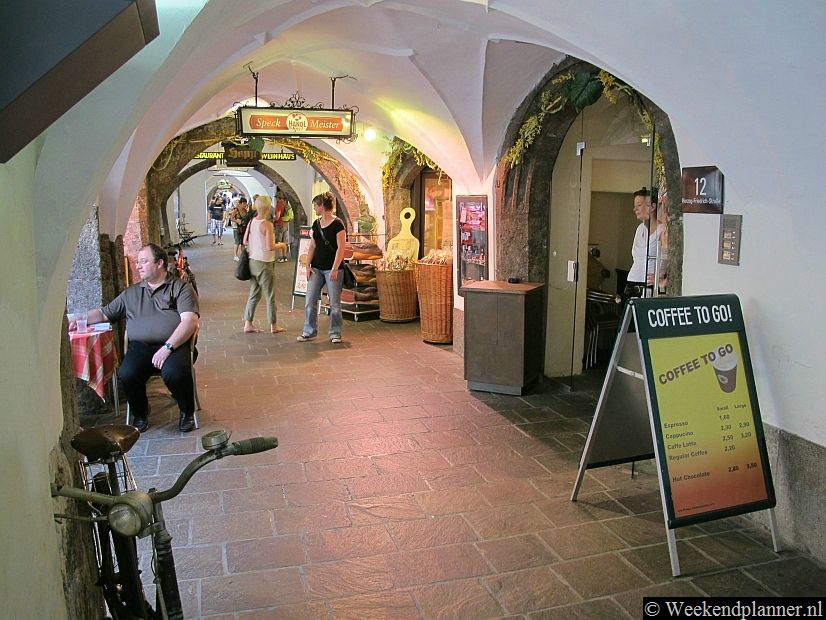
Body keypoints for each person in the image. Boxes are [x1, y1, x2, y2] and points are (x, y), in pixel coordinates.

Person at [68, 244, 200, 433]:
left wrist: (168, 347)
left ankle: (186, 411)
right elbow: (104, 314)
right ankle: (141, 411)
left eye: (144, 261)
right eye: (138, 262)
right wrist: (77, 318)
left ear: (160, 263)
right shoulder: (132, 293)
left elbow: (190, 322)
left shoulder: (180, 288)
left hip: (175, 345)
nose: (138, 266)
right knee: (127, 374)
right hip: (141, 347)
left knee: (175, 373)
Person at [297, 192, 346, 344]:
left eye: (316, 206)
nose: (314, 208)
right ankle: (309, 331)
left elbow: (341, 248)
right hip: (317, 268)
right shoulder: (316, 224)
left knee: (335, 304)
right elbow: (312, 245)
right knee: (310, 300)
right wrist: (308, 265)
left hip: (332, 269)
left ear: (322, 206)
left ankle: (335, 333)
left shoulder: (338, 224)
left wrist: (335, 268)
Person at [242, 195, 285, 334]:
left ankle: (248, 323)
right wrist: (281, 245)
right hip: (265, 263)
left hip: (253, 262)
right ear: (268, 208)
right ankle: (273, 325)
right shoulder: (267, 224)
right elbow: (270, 247)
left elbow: (244, 241)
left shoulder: (252, 222)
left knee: (254, 293)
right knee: (270, 295)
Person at [623, 187, 666, 304]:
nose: (635, 209)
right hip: (631, 282)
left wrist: (664, 281)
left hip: (648, 285)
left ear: (652, 207)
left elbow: (672, 260)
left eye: (639, 205)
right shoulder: (640, 229)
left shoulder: (662, 230)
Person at [227, 196, 251, 261]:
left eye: (245, 204)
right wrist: (237, 221)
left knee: (243, 243)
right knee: (237, 242)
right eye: (243, 204)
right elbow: (231, 218)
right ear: (240, 204)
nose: (244, 205)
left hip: (244, 228)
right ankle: (235, 255)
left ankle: (243, 255)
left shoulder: (246, 211)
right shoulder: (236, 210)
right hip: (237, 228)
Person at [273, 190, 290, 262]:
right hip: (285, 224)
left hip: (279, 224)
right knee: (284, 241)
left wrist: (273, 219)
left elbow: (277, 216)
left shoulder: (279, 204)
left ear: (278, 197)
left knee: (279, 241)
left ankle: (280, 257)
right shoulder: (286, 204)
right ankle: (285, 257)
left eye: (276, 197)